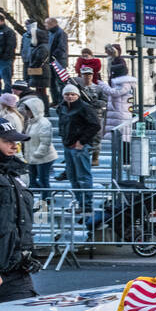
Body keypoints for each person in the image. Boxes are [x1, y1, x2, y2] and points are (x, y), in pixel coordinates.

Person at [0, 116, 37, 303]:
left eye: (15, 141)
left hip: (17, 272)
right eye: (7, 141)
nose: (14, 146)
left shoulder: (12, 173)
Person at [58, 83, 99, 218]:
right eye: (67, 94)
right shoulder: (62, 107)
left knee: (83, 177)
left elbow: (95, 125)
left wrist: (81, 141)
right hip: (67, 146)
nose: (70, 96)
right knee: (73, 177)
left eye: (72, 94)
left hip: (79, 147)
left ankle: (87, 205)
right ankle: (80, 204)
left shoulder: (84, 108)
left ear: (77, 95)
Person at [20, 96, 55, 191]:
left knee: (43, 181)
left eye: (28, 109)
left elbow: (45, 142)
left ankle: (46, 202)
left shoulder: (44, 123)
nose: (26, 112)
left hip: (43, 158)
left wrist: (37, 155)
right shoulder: (31, 122)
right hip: (32, 157)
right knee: (32, 180)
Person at [42, 17, 67, 111]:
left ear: (52, 23)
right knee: (51, 81)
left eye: (46, 23)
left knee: (60, 82)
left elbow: (61, 48)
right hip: (51, 61)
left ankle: (61, 101)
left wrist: (52, 56)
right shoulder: (50, 33)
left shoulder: (61, 33)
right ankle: (55, 100)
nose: (45, 25)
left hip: (58, 61)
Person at [0, 13, 16, 97]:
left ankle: (7, 98)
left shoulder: (8, 31)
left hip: (4, 60)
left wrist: (5, 57)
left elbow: (11, 46)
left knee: (7, 80)